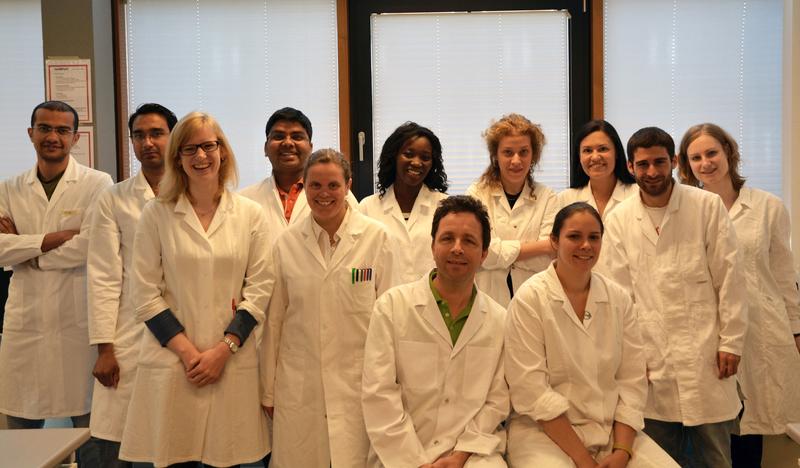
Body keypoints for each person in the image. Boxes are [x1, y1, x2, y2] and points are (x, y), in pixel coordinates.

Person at [119, 112, 273, 467]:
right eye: (190, 149)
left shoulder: (250, 214)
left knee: (229, 458)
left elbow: (261, 289)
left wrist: (224, 349)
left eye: (208, 146)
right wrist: (190, 354)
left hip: (230, 362)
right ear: (178, 157)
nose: (201, 157)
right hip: (175, 363)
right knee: (176, 457)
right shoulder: (156, 214)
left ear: (223, 151)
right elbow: (143, 293)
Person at [602, 127, 747, 468]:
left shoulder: (706, 206)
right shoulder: (619, 219)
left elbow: (730, 279)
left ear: (674, 162)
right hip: (651, 365)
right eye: (643, 164)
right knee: (658, 459)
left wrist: (732, 342)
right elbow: (618, 298)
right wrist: (633, 359)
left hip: (708, 359)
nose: (651, 172)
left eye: (659, 162)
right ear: (630, 166)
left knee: (715, 458)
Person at [505, 202, 678, 467]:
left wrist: (621, 451)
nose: (586, 245)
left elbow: (632, 381)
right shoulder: (530, 299)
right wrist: (584, 460)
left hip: (609, 430)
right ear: (554, 241)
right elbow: (531, 391)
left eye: (594, 237)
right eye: (574, 236)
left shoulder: (617, 299)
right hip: (543, 433)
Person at [261, 149, 395, 468]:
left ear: (348, 185)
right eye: (315, 186)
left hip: (360, 381)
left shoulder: (377, 238)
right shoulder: (286, 244)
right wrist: (268, 391)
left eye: (333, 185)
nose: (324, 194)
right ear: (304, 187)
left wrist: (394, 384)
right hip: (299, 384)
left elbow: (392, 319)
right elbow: (274, 322)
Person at [678, 123, 800, 467]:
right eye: (696, 157)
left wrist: (795, 329)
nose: (706, 163)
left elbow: (783, 274)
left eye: (712, 153)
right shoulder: (686, 209)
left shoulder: (768, 207)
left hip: (761, 328)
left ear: (729, 153)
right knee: (714, 425)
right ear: (687, 166)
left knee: (751, 426)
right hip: (709, 329)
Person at [362, 195, 508, 468]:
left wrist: (461, 455)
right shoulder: (392, 307)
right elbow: (379, 394)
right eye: (447, 238)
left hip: (472, 454)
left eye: (469, 241)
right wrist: (414, 462)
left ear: (484, 253)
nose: (457, 248)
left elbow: (496, 401)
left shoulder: (499, 320)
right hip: (401, 453)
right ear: (432, 245)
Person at [0, 101, 112, 453]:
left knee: (90, 434)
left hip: (76, 326)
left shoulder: (97, 184)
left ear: (75, 137)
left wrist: (28, 253)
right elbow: (1, 249)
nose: (53, 136)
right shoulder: (9, 188)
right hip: (25, 326)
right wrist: (53, 239)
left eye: (62, 130)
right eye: (45, 128)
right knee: (19, 439)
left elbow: (92, 245)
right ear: (30, 133)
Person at [86, 103, 177, 467]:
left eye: (156, 133)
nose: (147, 142)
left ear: (173, 137)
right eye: (139, 135)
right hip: (128, 333)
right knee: (117, 442)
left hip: (181, 331)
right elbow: (104, 276)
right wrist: (104, 348)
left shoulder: (192, 194)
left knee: (175, 441)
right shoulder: (113, 198)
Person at [467, 113, 558, 307]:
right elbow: (483, 253)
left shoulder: (548, 197)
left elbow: (547, 261)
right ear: (495, 155)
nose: (516, 160)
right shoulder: (477, 194)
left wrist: (499, 255)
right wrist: (541, 246)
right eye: (508, 152)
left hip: (535, 301)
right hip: (486, 300)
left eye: (523, 152)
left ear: (533, 155)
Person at [240, 107, 357, 232]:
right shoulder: (244, 200)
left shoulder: (339, 197)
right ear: (265, 148)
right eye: (279, 136)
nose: (288, 143)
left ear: (310, 148)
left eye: (297, 137)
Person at [359, 122, 448, 284]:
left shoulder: (445, 206)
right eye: (408, 154)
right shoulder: (367, 208)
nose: (416, 162)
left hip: (433, 303)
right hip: (384, 303)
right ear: (394, 157)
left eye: (425, 157)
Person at [557, 119, 637, 219]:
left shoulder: (638, 194)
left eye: (603, 149)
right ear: (579, 157)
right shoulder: (565, 199)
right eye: (587, 150)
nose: (595, 157)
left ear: (616, 152)